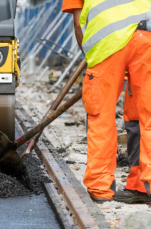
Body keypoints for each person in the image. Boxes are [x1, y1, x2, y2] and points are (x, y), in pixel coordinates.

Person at [62, 0, 151, 203]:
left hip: (108, 42)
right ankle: (143, 187)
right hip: (148, 38)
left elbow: (78, 24)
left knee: (100, 115)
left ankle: (101, 189)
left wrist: (93, 59)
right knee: (146, 115)